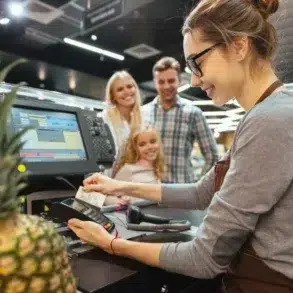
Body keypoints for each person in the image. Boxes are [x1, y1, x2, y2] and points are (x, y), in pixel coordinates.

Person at [68, 0, 293, 292]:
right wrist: (118, 186)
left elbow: (204, 258)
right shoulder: (268, 113)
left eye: (196, 62)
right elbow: (201, 193)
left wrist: (111, 244)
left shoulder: (269, 121)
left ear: (238, 46)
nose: (196, 80)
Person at [143, 56, 218, 183]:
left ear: (179, 80)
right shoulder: (143, 113)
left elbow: (212, 156)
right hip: (149, 190)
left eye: (171, 80)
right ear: (155, 83)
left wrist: (199, 187)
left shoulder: (193, 113)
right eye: (161, 82)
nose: (166, 86)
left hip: (182, 192)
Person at [104, 125, 165, 206]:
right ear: (135, 148)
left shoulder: (156, 168)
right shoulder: (129, 170)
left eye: (153, 141)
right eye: (142, 144)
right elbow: (107, 196)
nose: (149, 147)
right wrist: (119, 202)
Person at [101, 71, 143, 156]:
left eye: (129, 86)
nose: (127, 92)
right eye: (120, 89)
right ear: (113, 96)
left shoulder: (145, 115)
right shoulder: (104, 118)